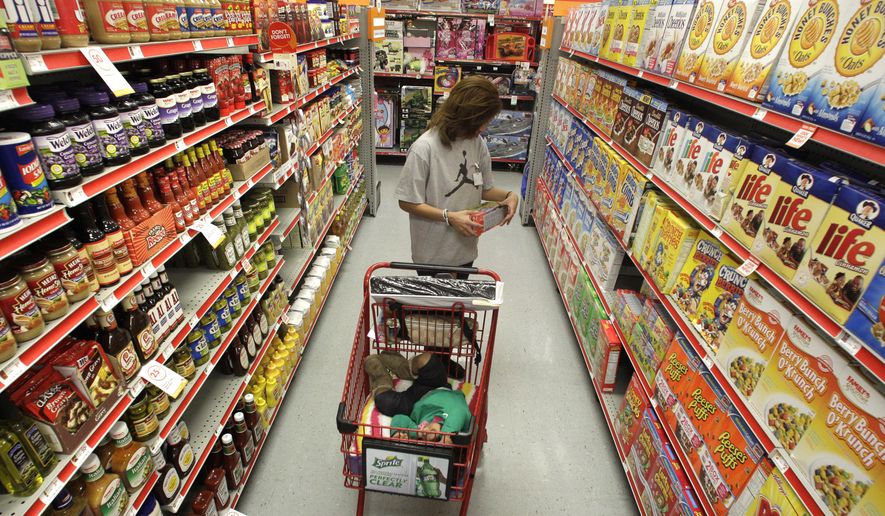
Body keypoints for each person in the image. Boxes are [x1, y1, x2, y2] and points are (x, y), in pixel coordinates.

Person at [395, 76, 519, 275]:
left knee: (458, 304)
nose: (483, 129)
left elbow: (484, 189)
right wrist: (449, 217)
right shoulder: (424, 148)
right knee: (434, 306)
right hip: (432, 254)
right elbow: (407, 201)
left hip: (465, 249)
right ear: (465, 116)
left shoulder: (477, 142)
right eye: (481, 122)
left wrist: (509, 196)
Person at [365, 352, 471, 444]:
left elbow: (400, 418)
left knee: (384, 401)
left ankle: (381, 377)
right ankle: (404, 368)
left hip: (413, 402)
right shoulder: (454, 422)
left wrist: (398, 433)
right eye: (433, 431)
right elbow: (459, 411)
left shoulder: (420, 430)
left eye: (425, 435)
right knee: (428, 359)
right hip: (439, 387)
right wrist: (447, 435)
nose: (426, 430)